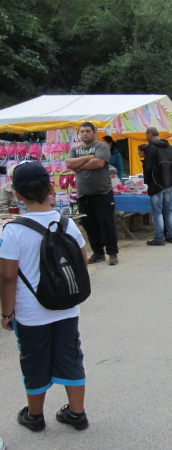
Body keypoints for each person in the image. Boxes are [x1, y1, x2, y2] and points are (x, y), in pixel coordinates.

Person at [0, 161, 89, 432]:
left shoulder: (13, 231)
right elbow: (82, 263)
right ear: (51, 189)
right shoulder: (67, 224)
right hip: (67, 308)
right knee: (71, 357)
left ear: (17, 194)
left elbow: (7, 277)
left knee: (34, 361)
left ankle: (35, 416)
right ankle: (77, 413)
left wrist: (7, 313)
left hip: (30, 313)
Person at [67, 121, 119, 265]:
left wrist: (79, 165)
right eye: (82, 131)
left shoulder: (101, 146)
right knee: (89, 225)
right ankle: (98, 253)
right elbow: (69, 164)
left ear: (94, 132)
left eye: (87, 131)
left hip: (102, 193)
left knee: (107, 223)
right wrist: (88, 157)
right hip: (83, 194)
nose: (85, 134)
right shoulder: (75, 149)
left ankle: (112, 253)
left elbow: (99, 163)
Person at [143, 127, 172, 246]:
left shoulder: (151, 148)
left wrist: (147, 181)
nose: (146, 138)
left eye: (146, 135)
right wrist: (170, 176)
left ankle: (159, 237)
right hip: (169, 183)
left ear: (149, 134)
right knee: (169, 210)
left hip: (156, 183)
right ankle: (171, 235)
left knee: (157, 212)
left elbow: (147, 167)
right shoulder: (169, 147)